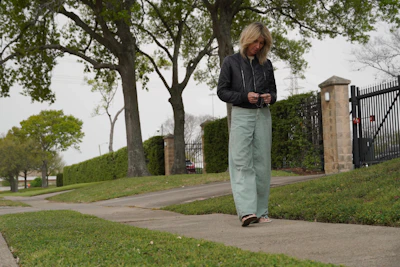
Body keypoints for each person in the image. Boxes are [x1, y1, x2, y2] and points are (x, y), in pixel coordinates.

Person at [217, 22, 277, 227]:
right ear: (246, 39)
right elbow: (222, 91)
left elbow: (274, 92)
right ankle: (247, 212)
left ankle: (262, 211)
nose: (258, 46)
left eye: (262, 43)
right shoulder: (231, 62)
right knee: (242, 162)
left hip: (263, 115)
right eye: (255, 41)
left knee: (262, 163)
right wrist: (244, 96)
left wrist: (270, 97)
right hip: (242, 115)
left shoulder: (266, 65)